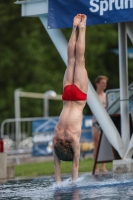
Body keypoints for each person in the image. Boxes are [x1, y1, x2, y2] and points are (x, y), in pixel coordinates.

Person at [53, 14, 88, 184]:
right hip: (67, 98)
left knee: (79, 60)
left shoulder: (73, 140)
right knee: (72, 60)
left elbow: (75, 166)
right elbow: (56, 165)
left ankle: (82, 27)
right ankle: (74, 27)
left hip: (78, 98)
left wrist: (73, 184)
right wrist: (58, 181)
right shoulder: (56, 137)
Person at [91, 75, 108, 173]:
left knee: (104, 145)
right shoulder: (94, 96)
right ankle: (96, 167)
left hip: (105, 122)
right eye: (102, 83)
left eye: (105, 83)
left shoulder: (106, 95)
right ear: (97, 83)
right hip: (96, 122)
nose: (104, 85)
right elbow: (94, 111)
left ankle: (103, 166)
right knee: (97, 145)